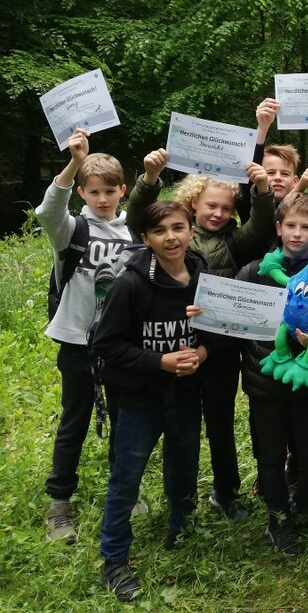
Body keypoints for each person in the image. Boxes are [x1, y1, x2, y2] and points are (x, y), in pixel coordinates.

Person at [128, 148, 276, 520]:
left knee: (222, 422)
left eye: (226, 209)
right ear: (193, 203)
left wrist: (260, 190)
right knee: (179, 426)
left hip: (221, 348)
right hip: (173, 346)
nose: (219, 214)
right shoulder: (175, 234)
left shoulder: (235, 241)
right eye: (212, 206)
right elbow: (137, 219)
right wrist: (148, 181)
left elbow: (260, 228)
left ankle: (226, 492)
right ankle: (181, 499)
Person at [94, 201, 208, 602]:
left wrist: (202, 354)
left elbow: (212, 330)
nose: (171, 237)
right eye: (160, 231)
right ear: (145, 238)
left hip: (185, 394)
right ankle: (114, 558)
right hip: (139, 398)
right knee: (126, 477)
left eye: (178, 228)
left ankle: (182, 524)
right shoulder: (131, 283)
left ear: (191, 229)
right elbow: (105, 344)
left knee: (184, 464)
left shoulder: (201, 273)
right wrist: (159, 360)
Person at [37, 129, 136, 544]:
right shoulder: (71, 229)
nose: (102, 199)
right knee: (74, 419)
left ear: (122, 191)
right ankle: (60, 504)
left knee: (124, 417)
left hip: (120, 344)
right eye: (94, 191)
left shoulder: (133, 233)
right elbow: (46, 210)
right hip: (77, 339)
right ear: (82, 192)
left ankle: (124, 493)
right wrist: (76, 160)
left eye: (109, 191)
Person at [233, 193, 308, 556]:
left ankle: (304, 502)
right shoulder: (254, 271)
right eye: (290, 225)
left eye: (305, 227)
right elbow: (236, 321)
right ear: (278, 228)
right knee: (271, 456)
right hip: (266, 384)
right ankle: (278, 517)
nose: (296, 233)